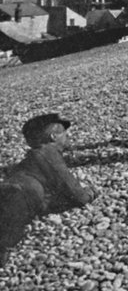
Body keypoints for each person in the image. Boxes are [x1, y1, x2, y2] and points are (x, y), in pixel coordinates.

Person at [0, 114, 98, 267]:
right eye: (64, 133)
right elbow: (77, 195)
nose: (67, 136)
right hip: (17, 198)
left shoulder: (32, 157)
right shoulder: (47, 154)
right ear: (53, 136)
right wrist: (91, 193)